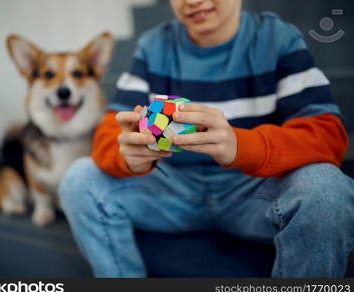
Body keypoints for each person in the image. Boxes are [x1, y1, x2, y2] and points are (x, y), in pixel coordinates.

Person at [59, 0, 354, 277]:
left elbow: (326, 134)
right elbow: (111, 131)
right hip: (171, 189)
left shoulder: (278, 39)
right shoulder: (153, 46)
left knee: (326, 189)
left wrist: (241, 146)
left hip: (252, 191)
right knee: (79, 178)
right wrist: (127, 156)